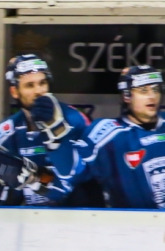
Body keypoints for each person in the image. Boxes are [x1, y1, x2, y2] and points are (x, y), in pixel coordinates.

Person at [0, 54, 101, 210]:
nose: (39, 91)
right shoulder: (7, 130)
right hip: (33, 220)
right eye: (29, 85)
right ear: (14, 92)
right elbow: (9, 189)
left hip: (80, 216)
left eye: (42, 83)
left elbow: (75, 180)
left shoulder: (75, 119)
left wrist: (32, 175)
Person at [67, 65, 165, 208]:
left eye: (155, 89)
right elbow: (69, 173)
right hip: (128, 226)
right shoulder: (107, 132)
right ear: (126, 95)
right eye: (143, 90)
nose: (152, 96)